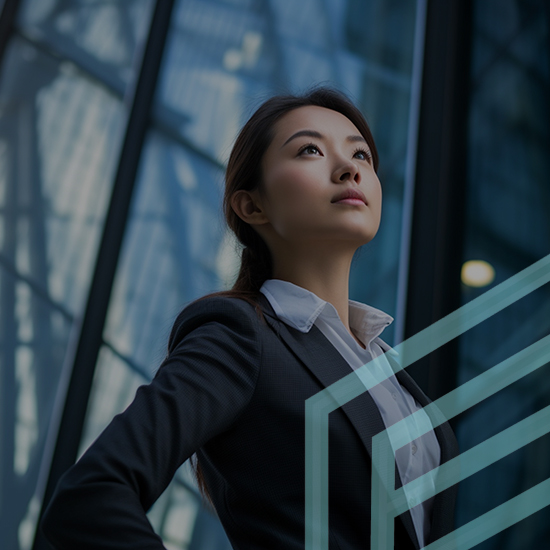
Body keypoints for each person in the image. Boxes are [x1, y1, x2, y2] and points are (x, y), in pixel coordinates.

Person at [41, 87, 458, 549]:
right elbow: (91, 496)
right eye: (310, 150)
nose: (349, 167)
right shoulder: (241, 335)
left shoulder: (385, 367)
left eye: (361, 153)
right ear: (251, 206)